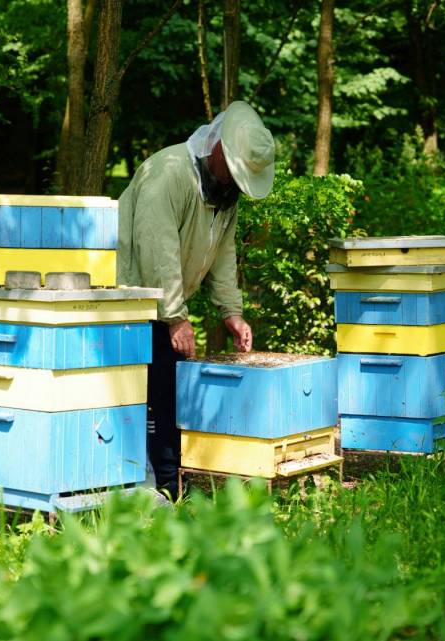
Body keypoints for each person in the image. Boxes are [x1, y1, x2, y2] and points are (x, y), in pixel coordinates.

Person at [116, 101, 276, 498]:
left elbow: (222, 254)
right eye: (237, 171)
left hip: (163, 305)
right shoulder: (168, 173)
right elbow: (158, 249)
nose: (238, 182)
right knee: (149, 394)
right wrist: (176, 317)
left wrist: (231, 312)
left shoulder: (223, 192)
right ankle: (154, 483)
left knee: (169, 391)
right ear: (219, 149)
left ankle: (167, 482)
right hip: (128, 301)